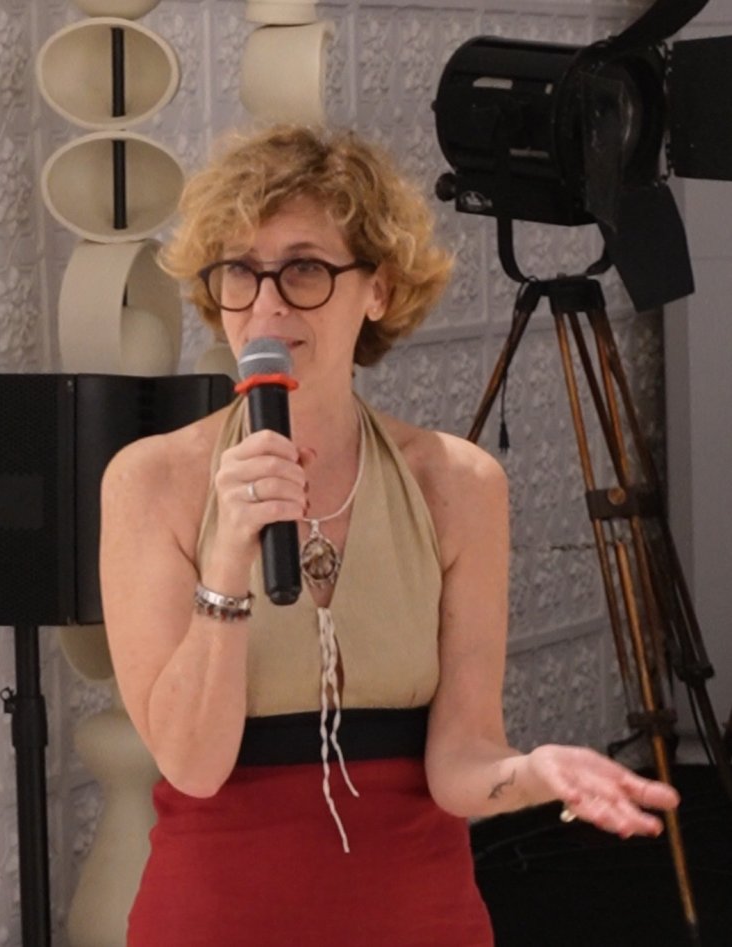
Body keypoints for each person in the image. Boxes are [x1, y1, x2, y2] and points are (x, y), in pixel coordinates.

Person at [99, 124, 679, 947]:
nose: (266, 305)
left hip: (419, 916)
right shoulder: (150, 481)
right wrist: (226, 561)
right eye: (240, 270)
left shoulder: (459, 484)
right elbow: (192, 764)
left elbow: (462, 760)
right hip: (215, 918)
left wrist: (532, 773)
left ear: (379, 287)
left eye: (304, 268)